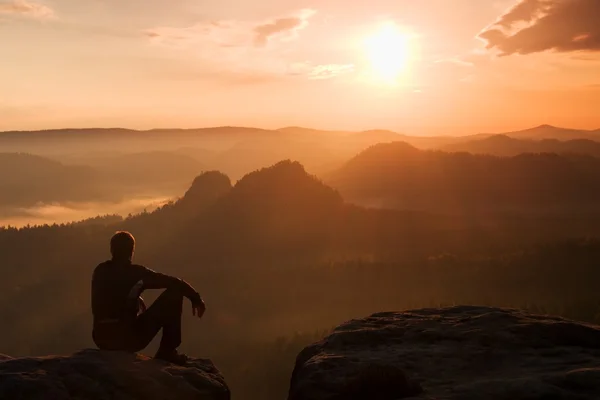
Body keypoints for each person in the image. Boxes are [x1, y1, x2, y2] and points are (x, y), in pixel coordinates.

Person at [91, 231, 205, 365]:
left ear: (112, 249)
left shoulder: (100, 271)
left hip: (101, 338)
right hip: (126, 339)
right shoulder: (137, 273)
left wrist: (136, 299)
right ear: (131, 251)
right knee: (174, 294)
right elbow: (174, 283)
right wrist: (195, 298)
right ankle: (167, 351)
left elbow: (113, 294)